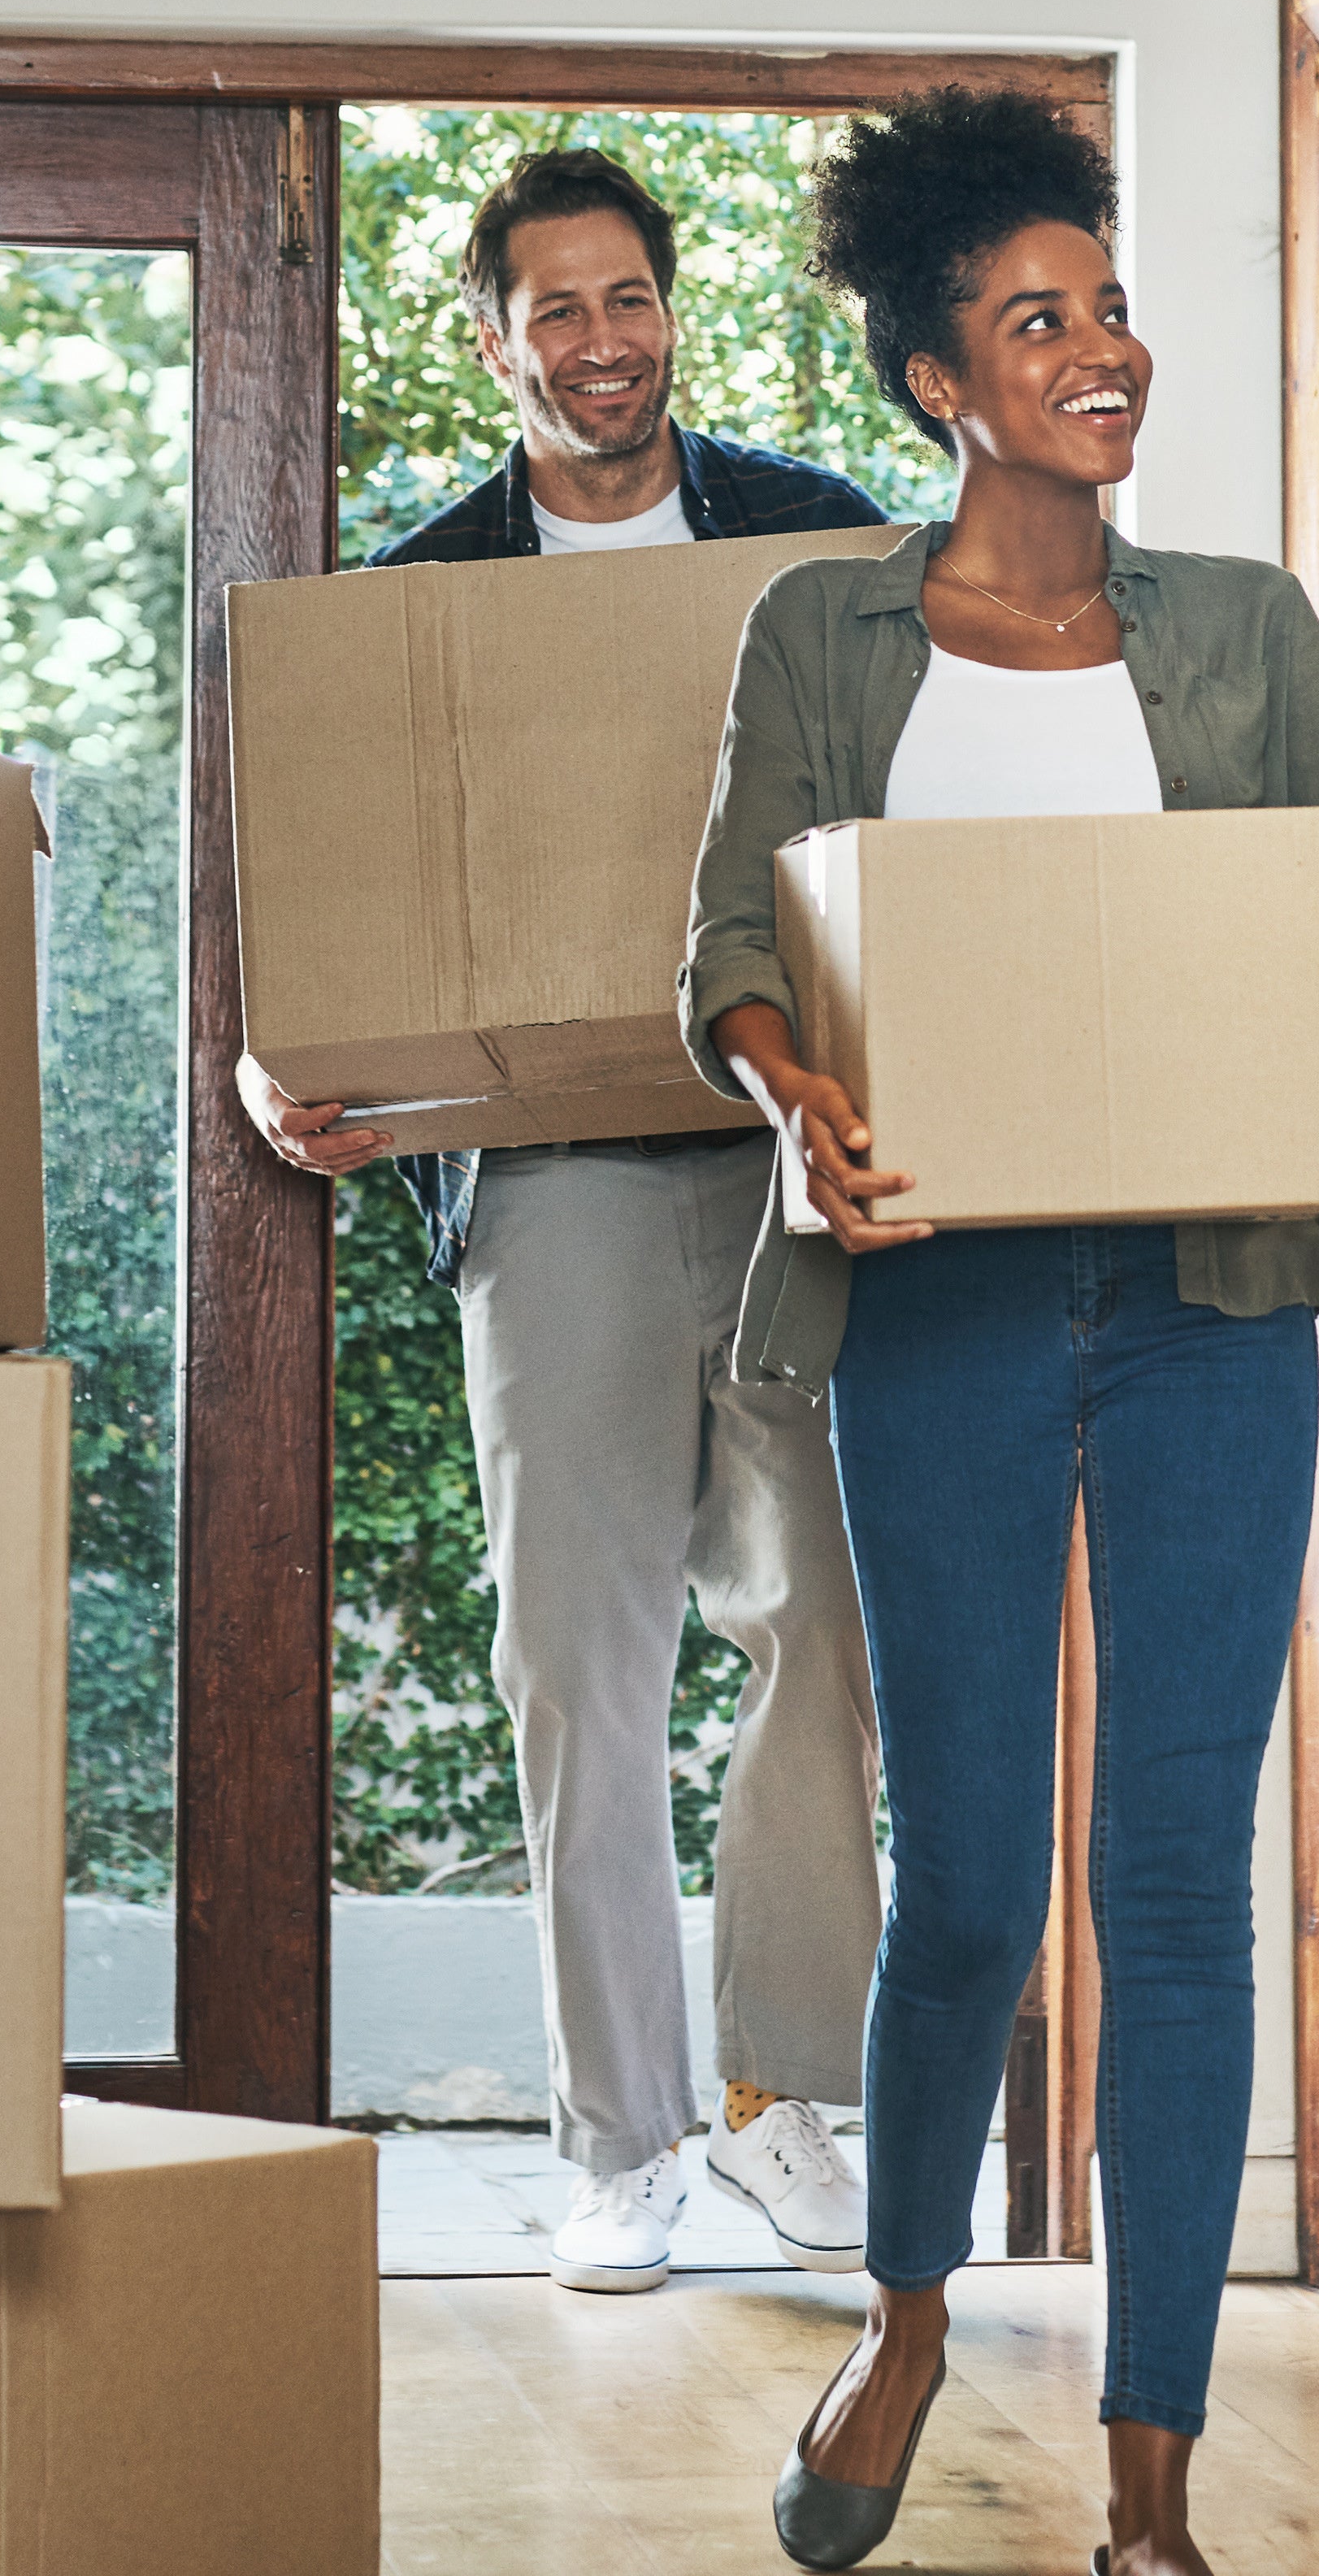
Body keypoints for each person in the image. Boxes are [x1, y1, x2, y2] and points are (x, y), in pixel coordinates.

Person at [676, 89, 1319, 2576]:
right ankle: (914, 2315)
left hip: (1212, 1306)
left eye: (1110, 309)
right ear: (941, 380)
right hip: (934, 1293)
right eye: (1038, 322)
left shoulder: (1242, 630)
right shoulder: (823, 634)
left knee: (1175, 1872)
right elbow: (734, 937)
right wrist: (784, 1090)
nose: (1102, 353)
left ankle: (1152, 2483)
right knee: (961, 1873)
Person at [236, 146, 889, 2294]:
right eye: (559, 312)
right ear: (494, 337)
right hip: (559, 1184)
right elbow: (314, 919)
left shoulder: (822, 541)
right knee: (577, 1667)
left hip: (797, 1155)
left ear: (668, 312)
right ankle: (619, 2141)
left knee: (826, 1632)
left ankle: (784, 2093)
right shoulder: (415, 601)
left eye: (634, 302)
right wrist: (285, 1065)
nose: (603, 345)